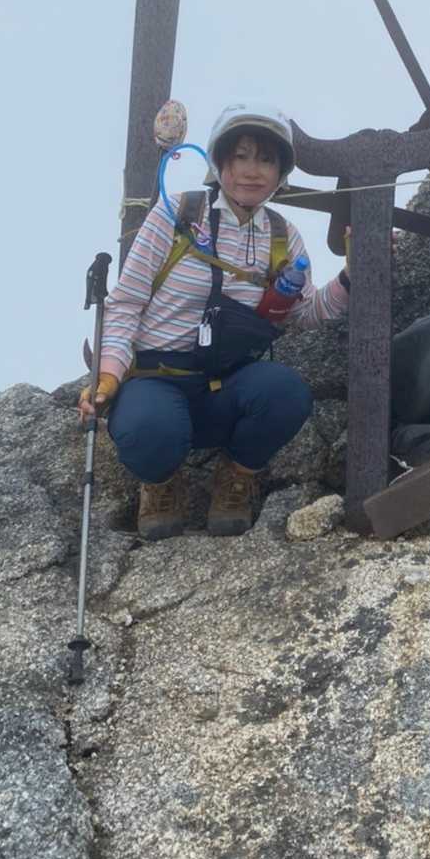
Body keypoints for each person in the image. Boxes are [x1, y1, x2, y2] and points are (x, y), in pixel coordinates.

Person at [79, 103, 349, 540]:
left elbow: (303, 312)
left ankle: (236, 476)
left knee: (285, 393)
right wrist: (108, 375)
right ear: (220, 161)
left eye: (266, 160)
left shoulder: (283, 236)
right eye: (241, 156)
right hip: (156, 379)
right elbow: (126, 302)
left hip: (226, 385)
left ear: (280, 172)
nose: (252, 171)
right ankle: (161, 483)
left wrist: (352, 277)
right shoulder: (177, 213)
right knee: (148, 429)